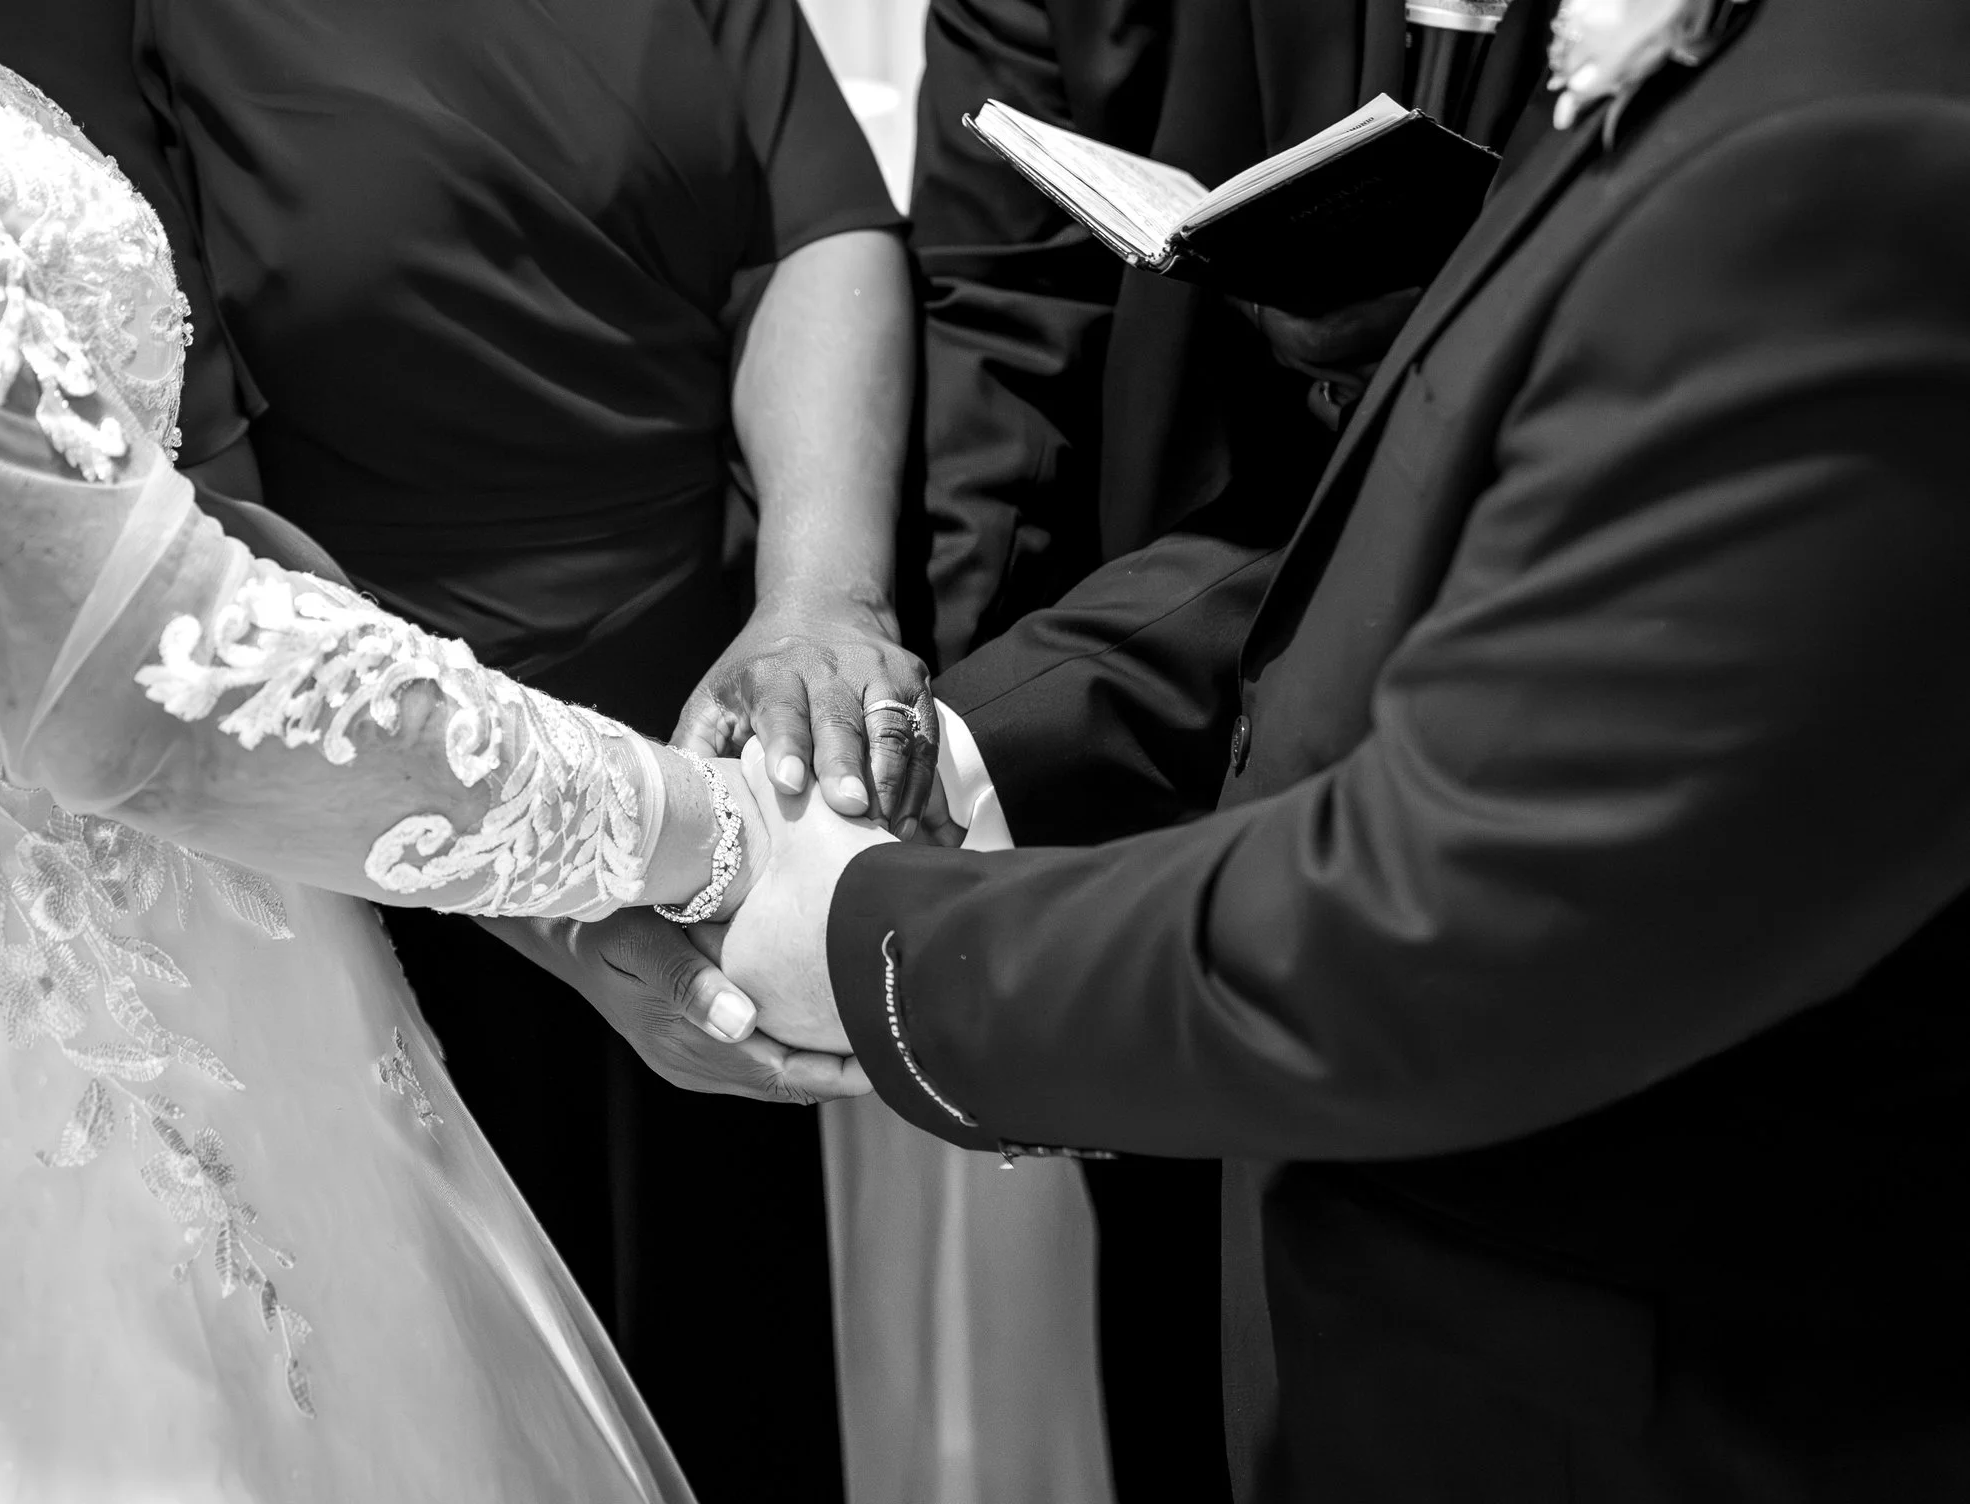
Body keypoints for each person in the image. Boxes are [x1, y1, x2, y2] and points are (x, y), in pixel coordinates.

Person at [0, 2, 856, 1496]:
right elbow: (149, 675)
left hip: (249, 1033)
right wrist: (714, 838)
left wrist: (557, 898)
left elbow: (176, 532)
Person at [713, 0, 1970, 1496]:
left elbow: (1446, 925)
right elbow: (1399, 529)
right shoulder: (1713, 75)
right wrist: (957, 752)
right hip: (1390, 1286)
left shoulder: (1844, 148)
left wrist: (885, 947)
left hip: (1646, 1373)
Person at [0, 3, 923, 1491]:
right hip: (375, 799)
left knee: (730, 1363)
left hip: (721, 727)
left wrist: (818, 596)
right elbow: (190, 533)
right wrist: (555, 874)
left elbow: (814, 220)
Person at [878, 2, 1551, 1495]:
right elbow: (1000, 308)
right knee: (1190, 1348)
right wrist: (948, 754)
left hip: (1520, 748)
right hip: (1153, 747)